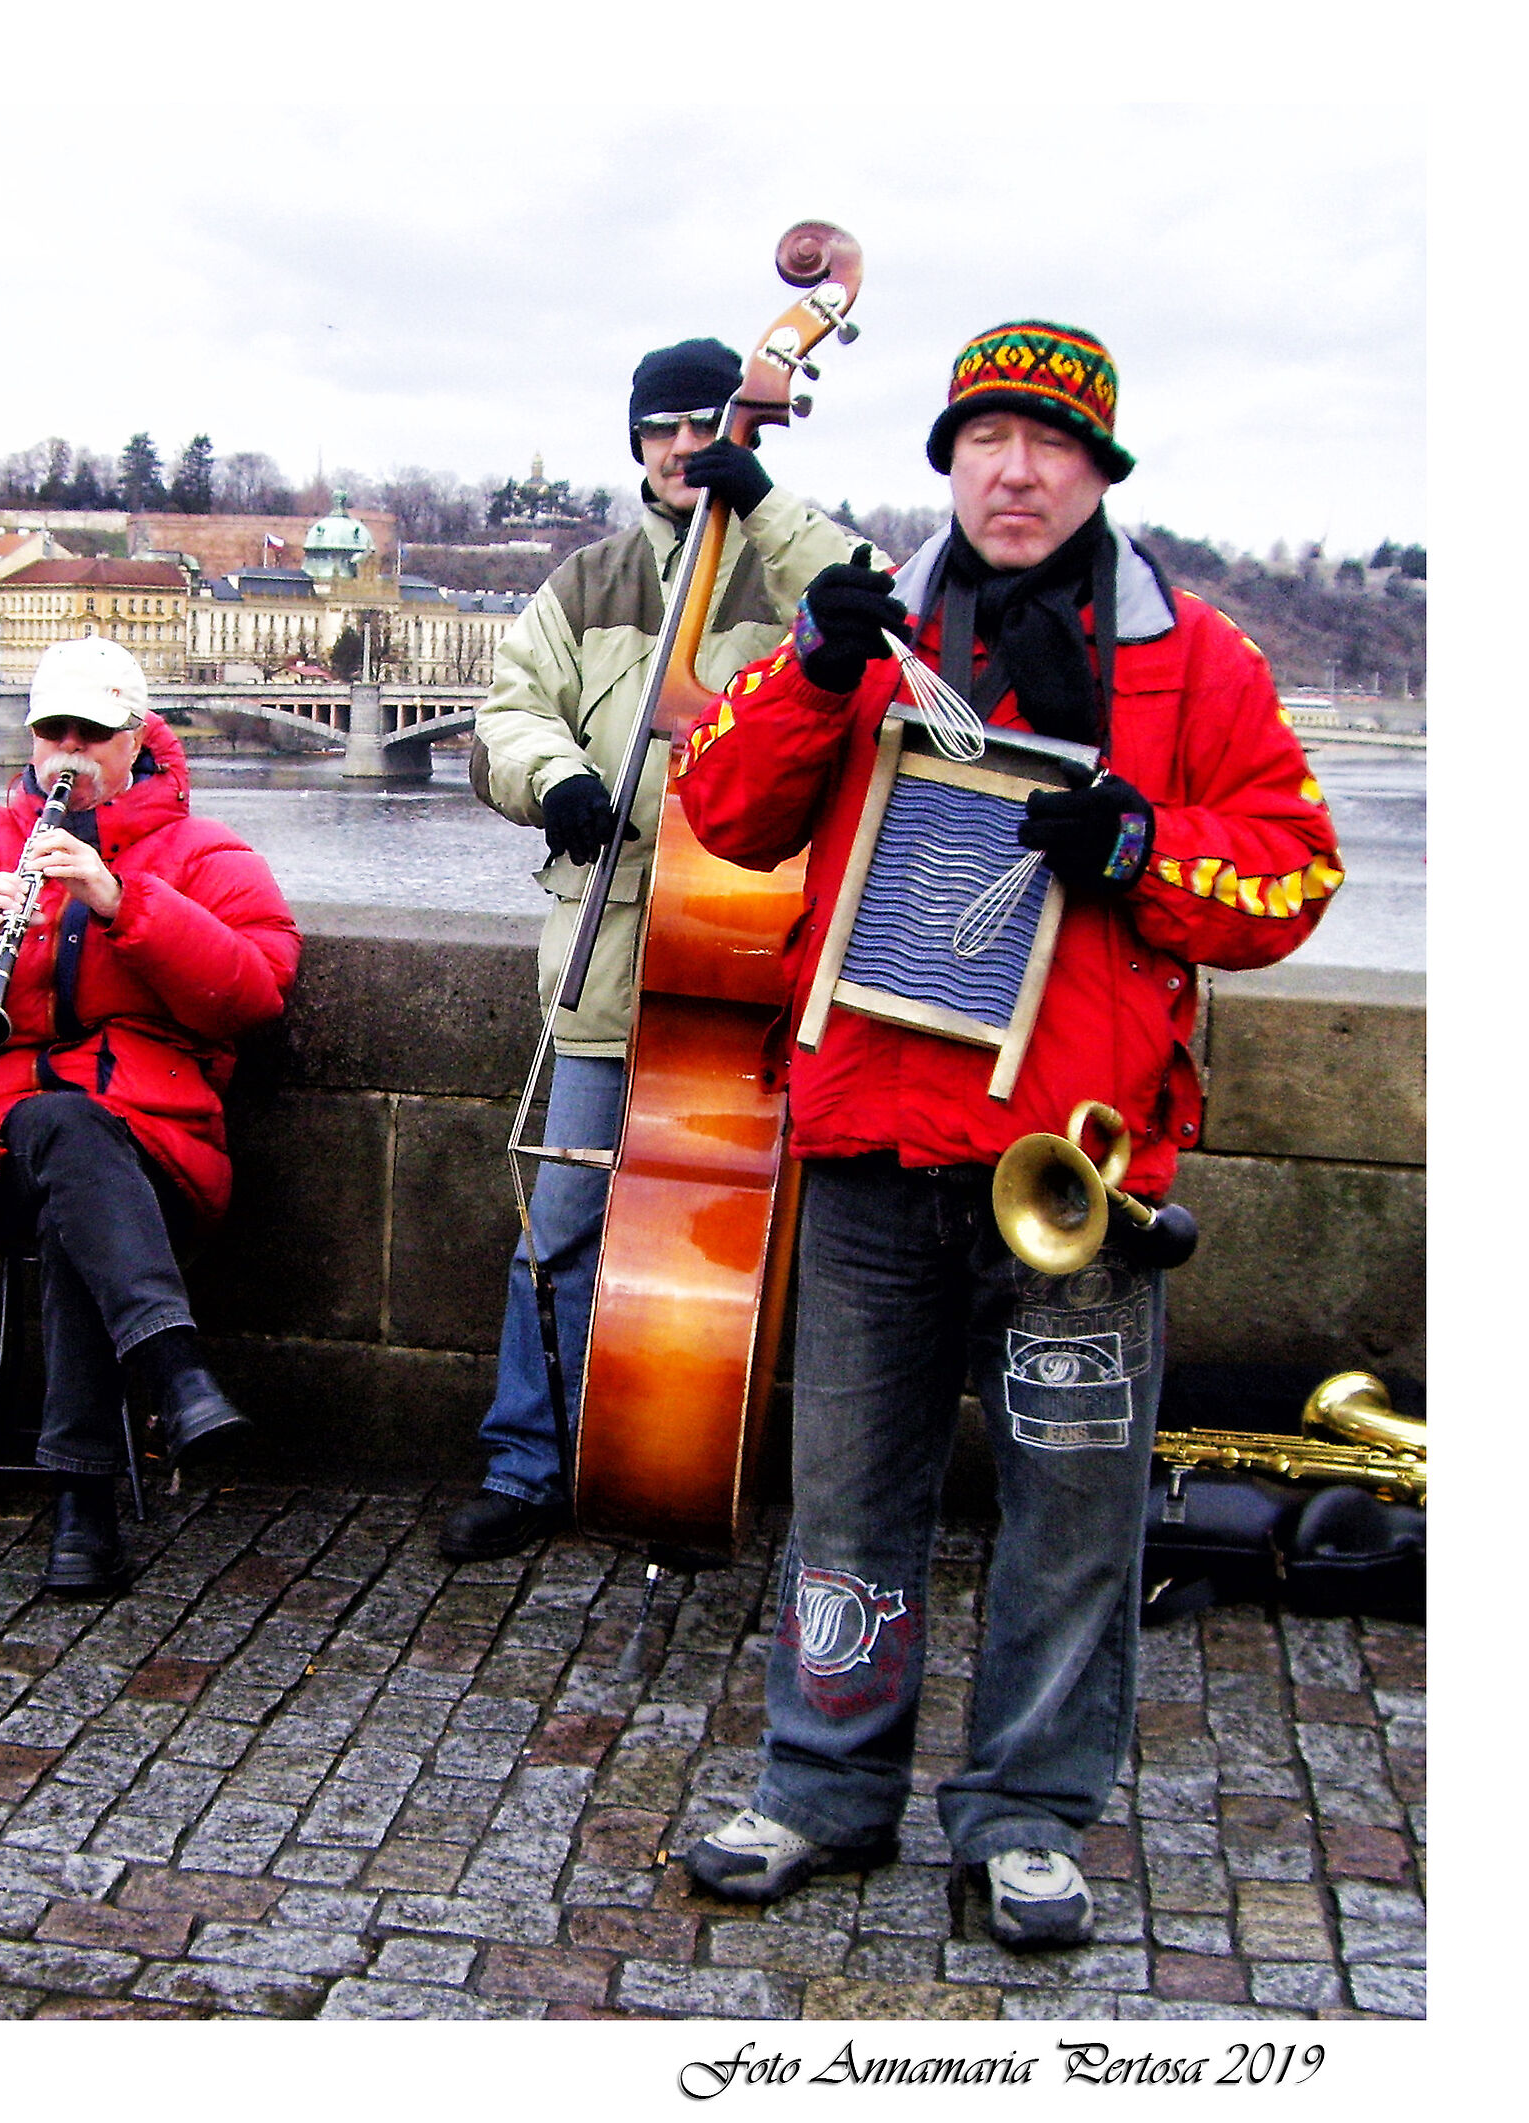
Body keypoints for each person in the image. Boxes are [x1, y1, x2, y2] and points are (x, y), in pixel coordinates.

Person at [669, 321, 1343, 1947]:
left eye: (1052, 444)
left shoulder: (1204, 661)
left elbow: (1293, 872)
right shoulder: (868, 631)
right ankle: (825, 1786)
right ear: (951, 463)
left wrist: (1142, 842)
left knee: (1072, 1511)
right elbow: (722, 805)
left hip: (1079, 1178)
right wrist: (820, 669)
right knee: (848, 1494)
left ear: (1100, 471)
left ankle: (1030, 1814)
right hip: (877, 1147)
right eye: (988, 440)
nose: (1017, 469)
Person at [442, 337, 865, 1562]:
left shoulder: (792, 567)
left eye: (706, 427)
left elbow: (887, 618)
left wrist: (767, 507)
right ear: (634, 445)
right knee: (561, 1223)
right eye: (664, 429)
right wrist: (558, 777)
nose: (686, 449)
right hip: (613, 954)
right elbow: (507, 710)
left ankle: (686, 1462)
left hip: (751, 965)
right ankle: (530, 1461)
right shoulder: (590, 581)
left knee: (735, 1245)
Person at [0, 636, 301, 1596]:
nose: (68, 753)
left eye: (92, 733)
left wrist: (125, 899)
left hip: (155, 1147)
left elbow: (256, 990)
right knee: (59, 1128)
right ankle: (174, 1377)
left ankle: (82, 1505)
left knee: (78, 1189)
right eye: (51, 731)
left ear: (137, 737)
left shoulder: (204, 851)